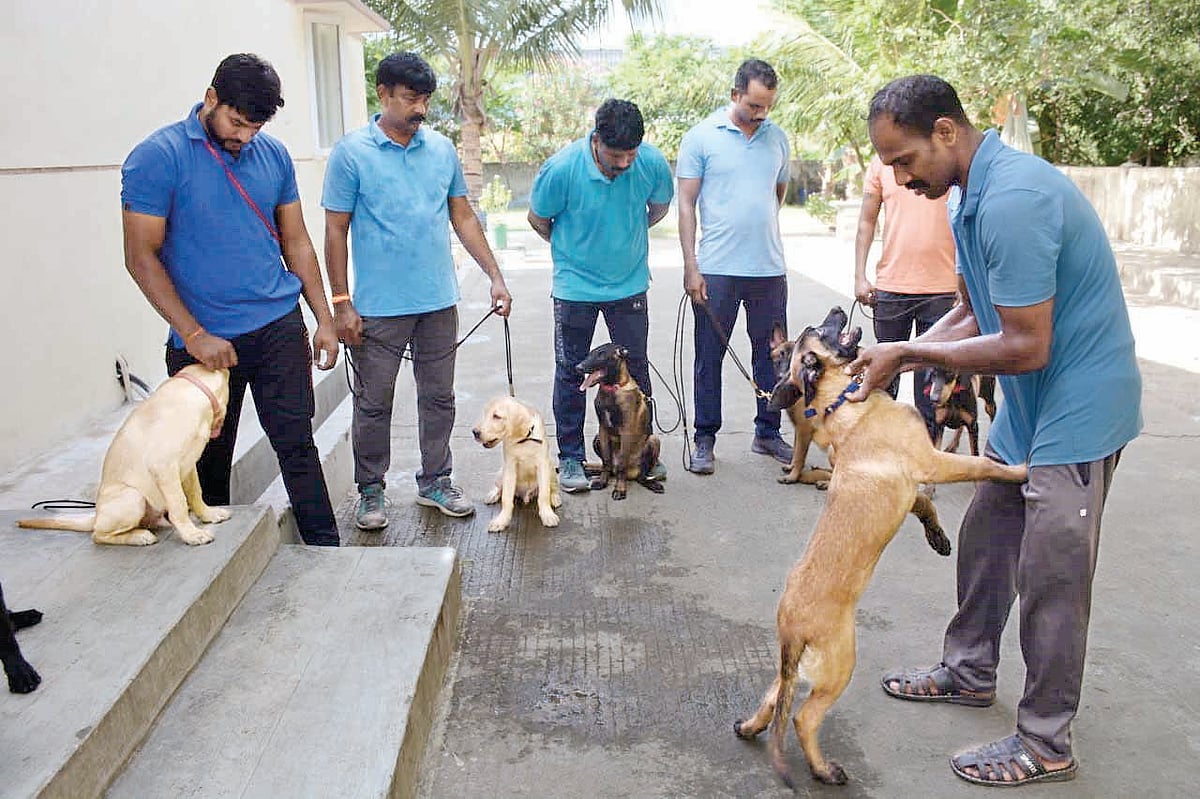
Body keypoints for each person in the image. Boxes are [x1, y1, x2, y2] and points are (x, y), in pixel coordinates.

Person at [848, 74, 1142, 787]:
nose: (898, 176)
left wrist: (911, 351)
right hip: (1027, 407)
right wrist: (905, 352)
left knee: (1052, 575)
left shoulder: (1013, 199)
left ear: (947, 131)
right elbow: (976, 310)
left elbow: (1024, 343)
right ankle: (970, 667)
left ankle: (1045, 742)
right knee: (986, 535)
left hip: (1079, 409)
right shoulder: (967, 195)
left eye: (905, 159)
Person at [121, 53, 341, 547]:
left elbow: (297, 242)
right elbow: (140, 257)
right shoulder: (158, 157)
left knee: (297, 446)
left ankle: (328, 553)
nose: (244, 137)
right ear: (210, 99)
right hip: (204, 343)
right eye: (237, 123)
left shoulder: (275, 156)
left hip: (277, 330)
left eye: (254, 128)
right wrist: (196, 335)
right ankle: (213, 569)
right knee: (205, 461)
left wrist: (323, 318)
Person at [322, 51, 511, 528]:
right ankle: (371, 490)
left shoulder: (441, 151)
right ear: (383, 94)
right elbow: (335, 230)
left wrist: (494, 275)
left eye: (425, 99)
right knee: (374, 401)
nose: (419, 109)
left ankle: (435, 482)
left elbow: (462, 215)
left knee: (439, 398)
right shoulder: (352, 153)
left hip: (437, 303)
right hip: (379, 309)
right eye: (410, 98)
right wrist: (341, 303)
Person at [527, 99, 674, 493]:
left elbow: (657, 208)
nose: (625, 163)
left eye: (631, 154)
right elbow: (539, 220)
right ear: (595, 139)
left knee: (636, 370)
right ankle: (572, 457)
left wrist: (627, 235)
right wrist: (575, 251)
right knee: (572, 370)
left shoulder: (652, 164)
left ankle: (641, 456)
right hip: (575, 289)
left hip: (629, 286)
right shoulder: (560, 170)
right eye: (615, 155)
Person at [677, 59, 794, 475]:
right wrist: (692, 267)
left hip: (768, 269)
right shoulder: (701, 138)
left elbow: (776, 193)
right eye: (754, 106)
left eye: (768, 107)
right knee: (710, 357)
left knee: (773, 356)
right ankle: (705, 438)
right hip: (717, 270)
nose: (761, 114)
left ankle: (767, 431)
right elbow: (686, 205)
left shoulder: (778, 139)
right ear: (735, 95)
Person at [853, 153, 958, 442]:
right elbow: (866, 220)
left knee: (930, 384)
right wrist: (859, 276)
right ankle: (879, 449)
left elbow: (967, 222)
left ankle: (925, 461)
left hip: (942, 289)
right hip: (891, 287)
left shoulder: (943, 160)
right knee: (883, 376)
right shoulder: (882, 163)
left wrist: (965, 282)